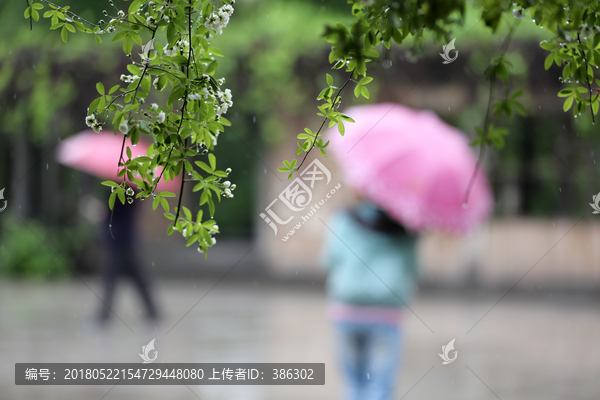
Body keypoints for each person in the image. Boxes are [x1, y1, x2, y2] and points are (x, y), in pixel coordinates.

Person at [321, 199, 418, 400]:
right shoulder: (406, 228)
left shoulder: (344, 219)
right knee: (380, 387)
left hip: (348, 311)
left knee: (353, 385)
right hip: (386, 315)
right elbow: (414, 270)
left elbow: (328, 260)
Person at [97, 197, 159, 324]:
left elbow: (117, 214)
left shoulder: (123, 192)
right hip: (125, 240)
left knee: (112, 279)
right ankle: (152, 310)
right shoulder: (126, 191)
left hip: (120, 241)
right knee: (136, 278)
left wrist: (104, 213)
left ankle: (104, 314)